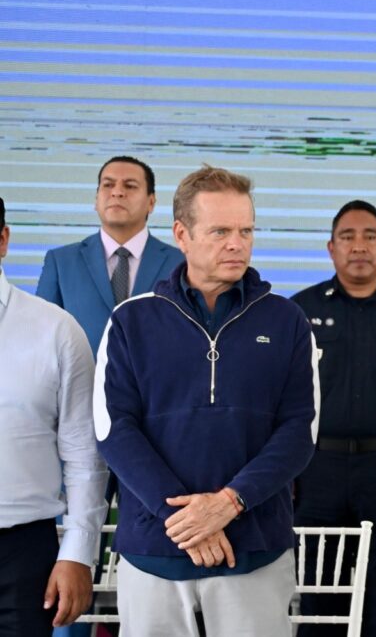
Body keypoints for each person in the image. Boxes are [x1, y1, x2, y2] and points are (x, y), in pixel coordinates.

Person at [93, 165, 319, 636]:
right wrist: (185, 519)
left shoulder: (288, 320)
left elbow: (300, 430)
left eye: (246, 231)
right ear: (182, 234)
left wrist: (230, 503)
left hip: (254, 548)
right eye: (220, 232)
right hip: (155, 550)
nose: (237, 244)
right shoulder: (131, 321)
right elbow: (113, 430)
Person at [291, 200, 376, 637]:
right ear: (331, 248)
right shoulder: (297, 311)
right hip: (317, 470)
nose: (359, 246)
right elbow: (279, 395)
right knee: (318, 593)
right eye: (347, 237)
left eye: (370, 236)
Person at [0, 196, 108, 634]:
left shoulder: (57, 330)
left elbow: (85, 456)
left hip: (21, 554)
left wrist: (79, 553)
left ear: (3, 240)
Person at [36, 156, 183, 355]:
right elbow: (41, 336)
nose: (117, 192)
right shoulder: (61, 262)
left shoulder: (180, 262)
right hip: (83, 375)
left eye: (130, 186)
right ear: (96, 199)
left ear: (151, 202)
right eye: (108, 185)